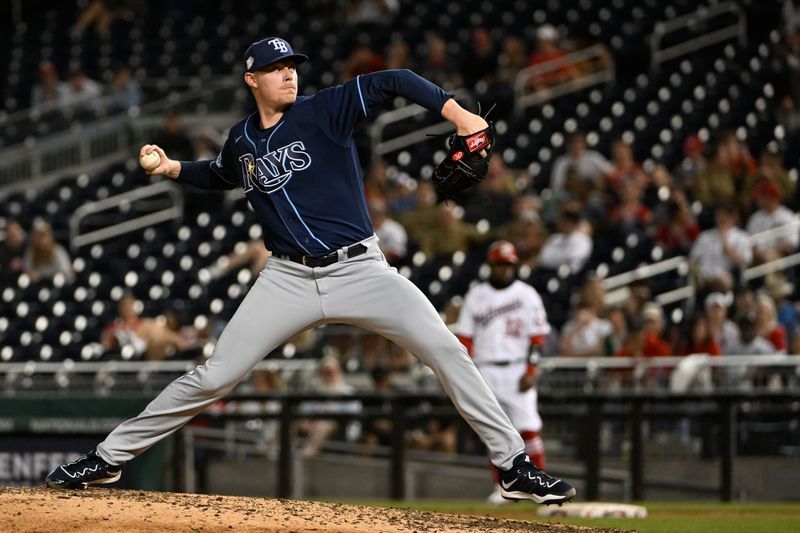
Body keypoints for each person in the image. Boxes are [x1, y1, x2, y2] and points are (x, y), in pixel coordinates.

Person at [46, 36, 575, 504]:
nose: (289, 73)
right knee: (214, 375)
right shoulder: (242, 140)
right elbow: (222, 174)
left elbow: (395, 79)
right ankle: (108, 458)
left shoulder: (326, 109)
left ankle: (513, 467)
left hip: (361, 270)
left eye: (293, 65)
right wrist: (172, 168)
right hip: (287, 279)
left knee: (445, 351)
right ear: (252, 79)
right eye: (277, 68)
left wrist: (462, 118)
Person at [454, 241, 552, 504]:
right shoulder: (476, 295)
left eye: (509, 265)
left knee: (528, 429)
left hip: (518, 367)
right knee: (493, 431)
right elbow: (465, 338)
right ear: (491, 265)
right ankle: (504, 488)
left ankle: (539, 484)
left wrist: (532, 368)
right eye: (500, 264)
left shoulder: (527, 294)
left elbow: (538, 337)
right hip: (485, 369)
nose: (505, 269)